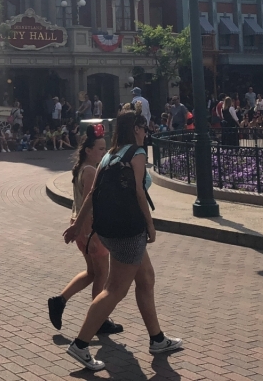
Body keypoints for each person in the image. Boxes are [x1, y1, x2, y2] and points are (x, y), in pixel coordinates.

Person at [62, 111, 182, 371]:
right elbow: (139, 193)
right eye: (143, 126)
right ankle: (80, 344)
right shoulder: (137, 154)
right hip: (130, 230)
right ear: (136, 128)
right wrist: (150, 225)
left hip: (110, 229)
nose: (146, 131)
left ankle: (157, 339)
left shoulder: (109, 155)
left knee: (146, 277)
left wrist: (77, 226)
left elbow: (92, 194)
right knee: (115, 289)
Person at [47, 123, 120, 336]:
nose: (103, 152)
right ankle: (100, 320)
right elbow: (89, 204)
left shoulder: (82, 168)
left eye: (105, 148)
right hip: (91, 231)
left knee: (92, 272)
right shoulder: (90, 171)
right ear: (88, 151)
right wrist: (91, 234)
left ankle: (59, 301)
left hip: (81, 230)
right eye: (99, 149)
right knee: (102, 276)